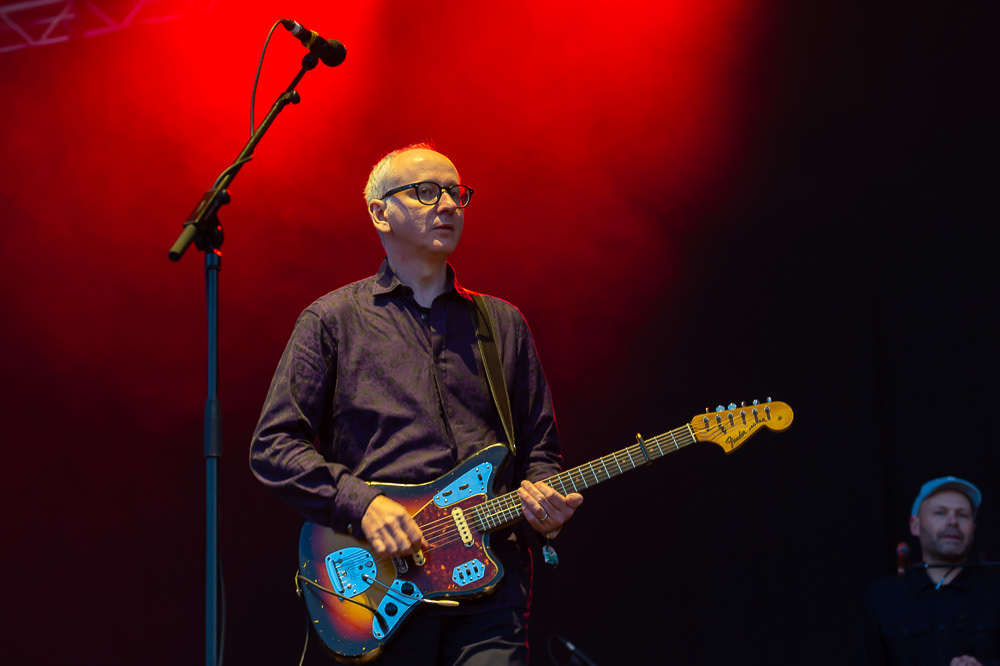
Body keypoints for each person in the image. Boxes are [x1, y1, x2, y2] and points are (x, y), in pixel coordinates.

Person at [250, 142, 583, 665]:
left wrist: (544, 502)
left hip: (491, 589)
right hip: (382, 584)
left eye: (456, 193)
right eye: (426, 192)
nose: (448, 204)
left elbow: (539, 449)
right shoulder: (332, 321)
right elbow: (274, 445)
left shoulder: (502, 324)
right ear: (379, 213)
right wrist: (362, 505)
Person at [857, 476, 1000, 665]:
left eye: (962, 515)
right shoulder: (882, 597)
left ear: (973, 529)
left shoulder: (995, 590)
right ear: (915, 525)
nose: (953, 522)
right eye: (940, 513)